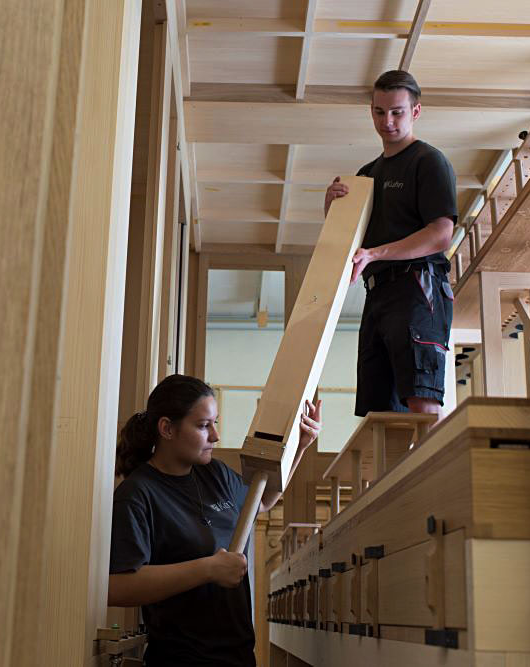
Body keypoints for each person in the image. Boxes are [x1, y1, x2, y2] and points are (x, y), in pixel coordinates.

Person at [108, 374, 321, 666]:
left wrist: (301, 445)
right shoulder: (137, 494)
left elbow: (260, 502)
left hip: (239, 657)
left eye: (215, 423)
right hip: (181, 660)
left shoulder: (215, 474)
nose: (215, 436)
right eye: (203, 425)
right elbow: (118, 586)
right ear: (167, 428)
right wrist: (207, 569)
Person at [325, 70, 456, 417]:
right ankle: (385, 475)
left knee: (421, 400)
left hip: (418, 286)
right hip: (377, 292)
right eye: (380, 112)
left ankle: (432, 473)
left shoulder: (428, 161)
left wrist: (377, 253)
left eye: (397, 111)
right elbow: (350, 246)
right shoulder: (367, 174)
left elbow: (442, 233)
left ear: (415, 111)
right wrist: (333, 210)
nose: (388, 121)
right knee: (379, 412)